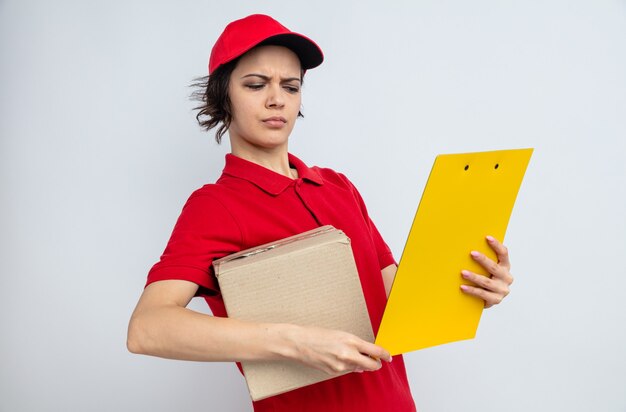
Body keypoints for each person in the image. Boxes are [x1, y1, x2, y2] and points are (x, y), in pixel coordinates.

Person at [127, 14, 514, 412]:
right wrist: (296, 342)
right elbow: (147, 328)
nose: (276, 99)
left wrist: (471, 287)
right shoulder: (215, 206)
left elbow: (399, 305)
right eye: (256, 84)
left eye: (290, 86)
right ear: (223, 95)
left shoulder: (338, 187)